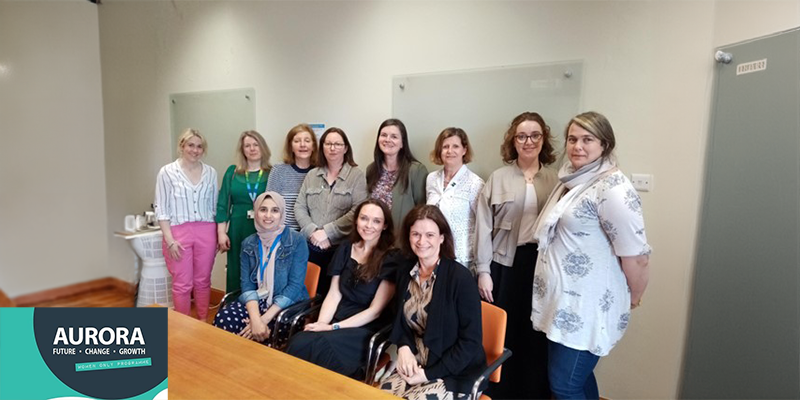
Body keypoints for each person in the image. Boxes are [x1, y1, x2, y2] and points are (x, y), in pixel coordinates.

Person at [531, 112, 651, 400]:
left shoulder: (613, 189)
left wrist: (634, 297)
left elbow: (637, 257)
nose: (578, 146)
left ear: (604, 145)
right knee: (576, 380)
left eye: (588, 140)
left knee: (564, 385)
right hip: (563, 305)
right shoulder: (573, 180)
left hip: (586, 307)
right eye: (572, 139)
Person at [474, 112, 559, 399]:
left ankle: (533, 392)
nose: (528, 141)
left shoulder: (556, 180)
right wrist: (483, 270)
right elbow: (483, 227)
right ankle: (501, 391)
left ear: (543, 139)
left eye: (535, 135)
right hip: (504, 265)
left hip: (542, 266)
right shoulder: (498, 178)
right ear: (513, 140)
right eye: (522, 136)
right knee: (505, 331)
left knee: (536, 332)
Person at [286, 199, 400, 379]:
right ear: (356, 220)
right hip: (338, 317)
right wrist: (322, 324)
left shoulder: (392, 258)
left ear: (384, 225)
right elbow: (334, 294)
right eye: (364, 218)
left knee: (324, 350)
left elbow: (375, 311)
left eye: (376, 221)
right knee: (300, 341)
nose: (369, 225)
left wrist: (332, 328)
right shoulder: (346, 248)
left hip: (365, 328)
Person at [380, 205, 485, 400]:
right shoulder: (404, 270)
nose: (422, 241)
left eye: (430, 235)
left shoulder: (460, 279)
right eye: (416, 234)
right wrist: (403, 347)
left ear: (442, 238)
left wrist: (427, 375)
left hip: (454, 373)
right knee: (377, 395)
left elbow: (470, 343)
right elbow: (399, 318)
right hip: (416, 364)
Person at [213, 191, 309, 344]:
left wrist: (262, 321)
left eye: (275, 210)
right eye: (263, 209)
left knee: (261, 334)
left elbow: (294, 287)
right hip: (258, 301)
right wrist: (255, 319)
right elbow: (247, 285)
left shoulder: (297, 241)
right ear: (256, 212)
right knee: (224, 318)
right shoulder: (248, 243)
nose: (268, 215)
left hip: (286, 307)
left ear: (281, 213)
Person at [154, 128, 218, 320]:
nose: (195, 150)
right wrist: (169, 240)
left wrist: (217, 235)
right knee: (182, 283)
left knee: (203, 281)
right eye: (191, 145)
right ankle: (183, 325)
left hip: (206, 231)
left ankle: (203, 320)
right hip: (178, 233)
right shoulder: (167, 172)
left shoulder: (211, 173)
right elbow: (161, 208)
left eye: (199, 146)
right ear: (182, 146)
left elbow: (214, 206)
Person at [295, 127, 368, 294]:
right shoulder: (312, 175)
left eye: (337, 144)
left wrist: (328, 232)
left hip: (340, 248)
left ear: (346, 148)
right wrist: (313, 232)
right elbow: (299, 206)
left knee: (334, 295)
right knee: (308, 294)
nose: (332, 148)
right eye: (328, 144)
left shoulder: (356, 175)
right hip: (310, 246)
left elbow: (358, 210)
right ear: (322, 147)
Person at [216, 130, 271, 293]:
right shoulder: (233, 172)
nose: (252, 149)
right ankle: (234, 304)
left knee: (261, 268)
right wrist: (221, 233)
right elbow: (223, 204)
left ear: (263, 147)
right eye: (247, 146)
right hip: (237, 228)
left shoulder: (272, 172)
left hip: (263, 228)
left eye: (256, 145)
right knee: (237, 269)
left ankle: (259, 305)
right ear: (242, 149)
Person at [426, 127, 484, 271]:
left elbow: (482, 225)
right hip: (433, 254)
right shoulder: (431, 179)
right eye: (445, 146)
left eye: (455, 146)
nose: (450, 151)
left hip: (462, 258)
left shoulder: (475, 183)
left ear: (464, 150)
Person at [366, 119, 427, 233]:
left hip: (401, 236)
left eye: (394, 137)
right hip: (374, 235)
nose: (387, 140)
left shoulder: (416, 170)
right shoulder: (371, 169)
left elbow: (422, 210)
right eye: (384, 135)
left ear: (402, 143)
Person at [266, 124, 318, 232]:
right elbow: (270, 205)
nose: (302, 145)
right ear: (291, 147)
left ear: (313, 146)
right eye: (297, 141)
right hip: (284, 233)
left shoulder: (321, 172)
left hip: (313, 234)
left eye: (307, 141)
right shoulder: (279, 170)